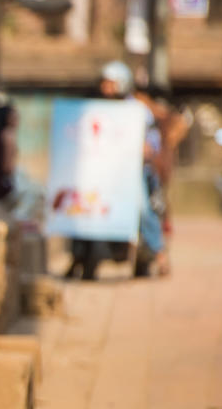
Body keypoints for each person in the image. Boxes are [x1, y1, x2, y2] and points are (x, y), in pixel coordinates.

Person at [64, 61, 169, 280]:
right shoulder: (93, 107)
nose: (106, 88)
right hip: (99, 172)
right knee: (78, 204)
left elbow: (153, 142)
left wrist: (145, 148)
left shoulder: (137, 110)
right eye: (104, 83)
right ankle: (77, 256)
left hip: (128, 172)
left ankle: (159, 252)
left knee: (141, 208)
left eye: (111, 84)